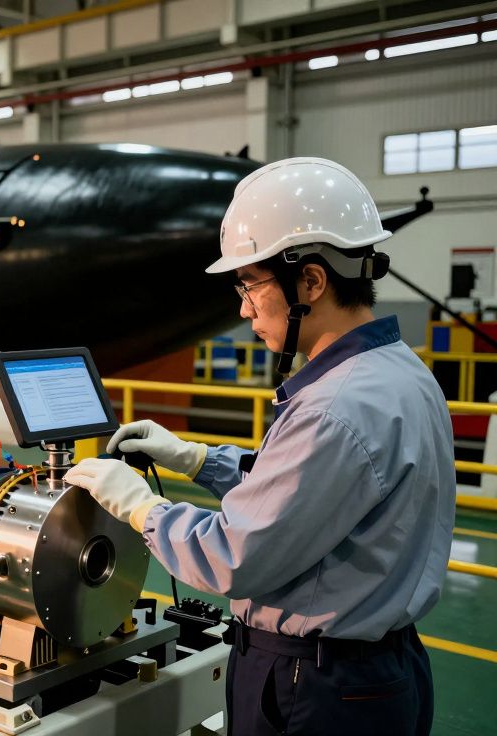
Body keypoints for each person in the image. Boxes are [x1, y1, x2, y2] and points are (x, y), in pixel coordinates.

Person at [63, 157, 454, 735]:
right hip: (378, 674)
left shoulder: (333, 406)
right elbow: (312, 491)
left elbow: (231, 556)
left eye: (250, 284)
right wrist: (198, 460)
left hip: (316, 690)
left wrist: (143, 507)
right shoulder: (400, 373)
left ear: (311, 282)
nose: (244, 308)